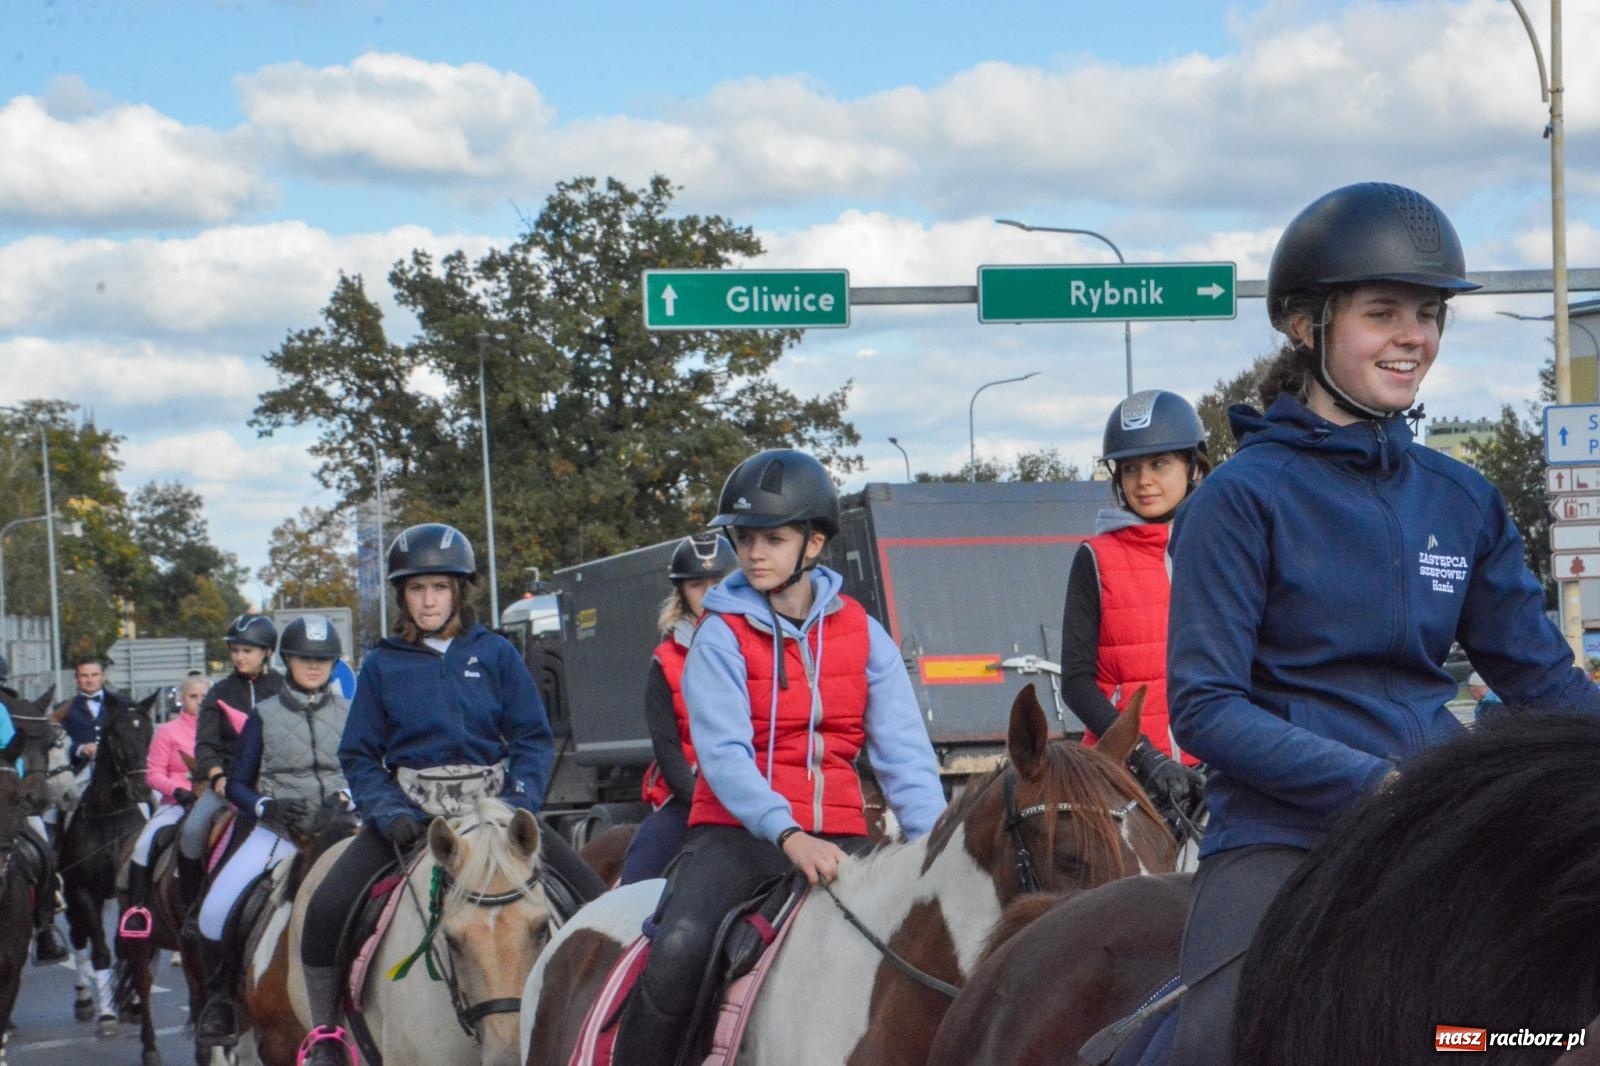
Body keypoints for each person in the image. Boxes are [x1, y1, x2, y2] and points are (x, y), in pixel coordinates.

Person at [1162, 181, 1600, 1066]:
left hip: (1442, 832)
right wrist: (1375, 784)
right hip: (1283, 837)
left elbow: (1544, 681)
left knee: (1535, 1028)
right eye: (1383, 313)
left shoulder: (1462, 498)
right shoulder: (1238, 500)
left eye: (1429, 315)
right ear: (1307, 325)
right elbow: (1205, 707)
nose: (1414, 337)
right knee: (1213, 1039)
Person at [614, 449, 948, 1066]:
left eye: (773, 539)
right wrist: (789, 834)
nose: (754, 553)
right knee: (679, 948)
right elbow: (723, 756)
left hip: (843, 837)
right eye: (745, 539)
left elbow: (904, 754)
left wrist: (936, 847)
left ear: (814, 543)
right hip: (737, 835)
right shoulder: (719, 634)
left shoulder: (864, 632)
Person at [296, 522, 606, 1066]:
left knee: (594, 900)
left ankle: (602, 1020)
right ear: (402, 597)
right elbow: (360, 755)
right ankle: (326, 1034)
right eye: (416, 589)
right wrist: (388, 811)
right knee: (326, 907)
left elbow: (532, 739)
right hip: (413, 817)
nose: (428, 600)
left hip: (496, 815)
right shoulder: (383, 665)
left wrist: (519, 803)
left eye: (439, 587)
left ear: (458, 591)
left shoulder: (497, 654)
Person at [193, 615, 350, 1049]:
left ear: (334, 663)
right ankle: (221, 1001)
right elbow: (238, 784)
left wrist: (345, 798)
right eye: (304, 658)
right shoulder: (264, 715)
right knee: (214, 910)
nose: (314, 666)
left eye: (323, 659)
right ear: (287, 660)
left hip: (342, 829)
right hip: (279, 833)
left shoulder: (350, 713)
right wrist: (266, 805)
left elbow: (369, 767)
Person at [1060, 390, 1209, 823]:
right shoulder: (1095, 558)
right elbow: (1076, 683)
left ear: (1193, 466)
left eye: (1159, 464)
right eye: (1130, 468)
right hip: (1124, 777)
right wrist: (1144, 756)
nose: (1143, 480)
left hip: (1216, 768)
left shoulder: (1223, 547)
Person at [618, 531, 739, 885]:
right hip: (690, 797)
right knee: (640, 868)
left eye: (718, 583)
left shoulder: (765, 644)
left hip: (759, 791)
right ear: (682, 593)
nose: (709, 593)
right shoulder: (665, 661)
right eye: (697, 585)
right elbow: (668, 747)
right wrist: (699, 800)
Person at [178, 614, 282, 916]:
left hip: (278, 782)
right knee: (191, 831)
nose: (239, 657)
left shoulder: (284, 688)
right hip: (230, 783)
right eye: (235, 650)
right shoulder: (218, 692)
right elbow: (205, 745)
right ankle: (192, 908)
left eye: (247, 650)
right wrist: (218, 777)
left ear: (266, 652)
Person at [121, 673, 206, 936]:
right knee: (144, 844)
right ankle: (137, 910)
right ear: (182, 699)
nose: (199, 701)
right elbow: (153, 774)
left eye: (204, 696)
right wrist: (178, 790)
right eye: (193, 696)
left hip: (215, 801)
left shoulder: (220, 731)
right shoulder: (168, 731)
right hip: (176, 803)